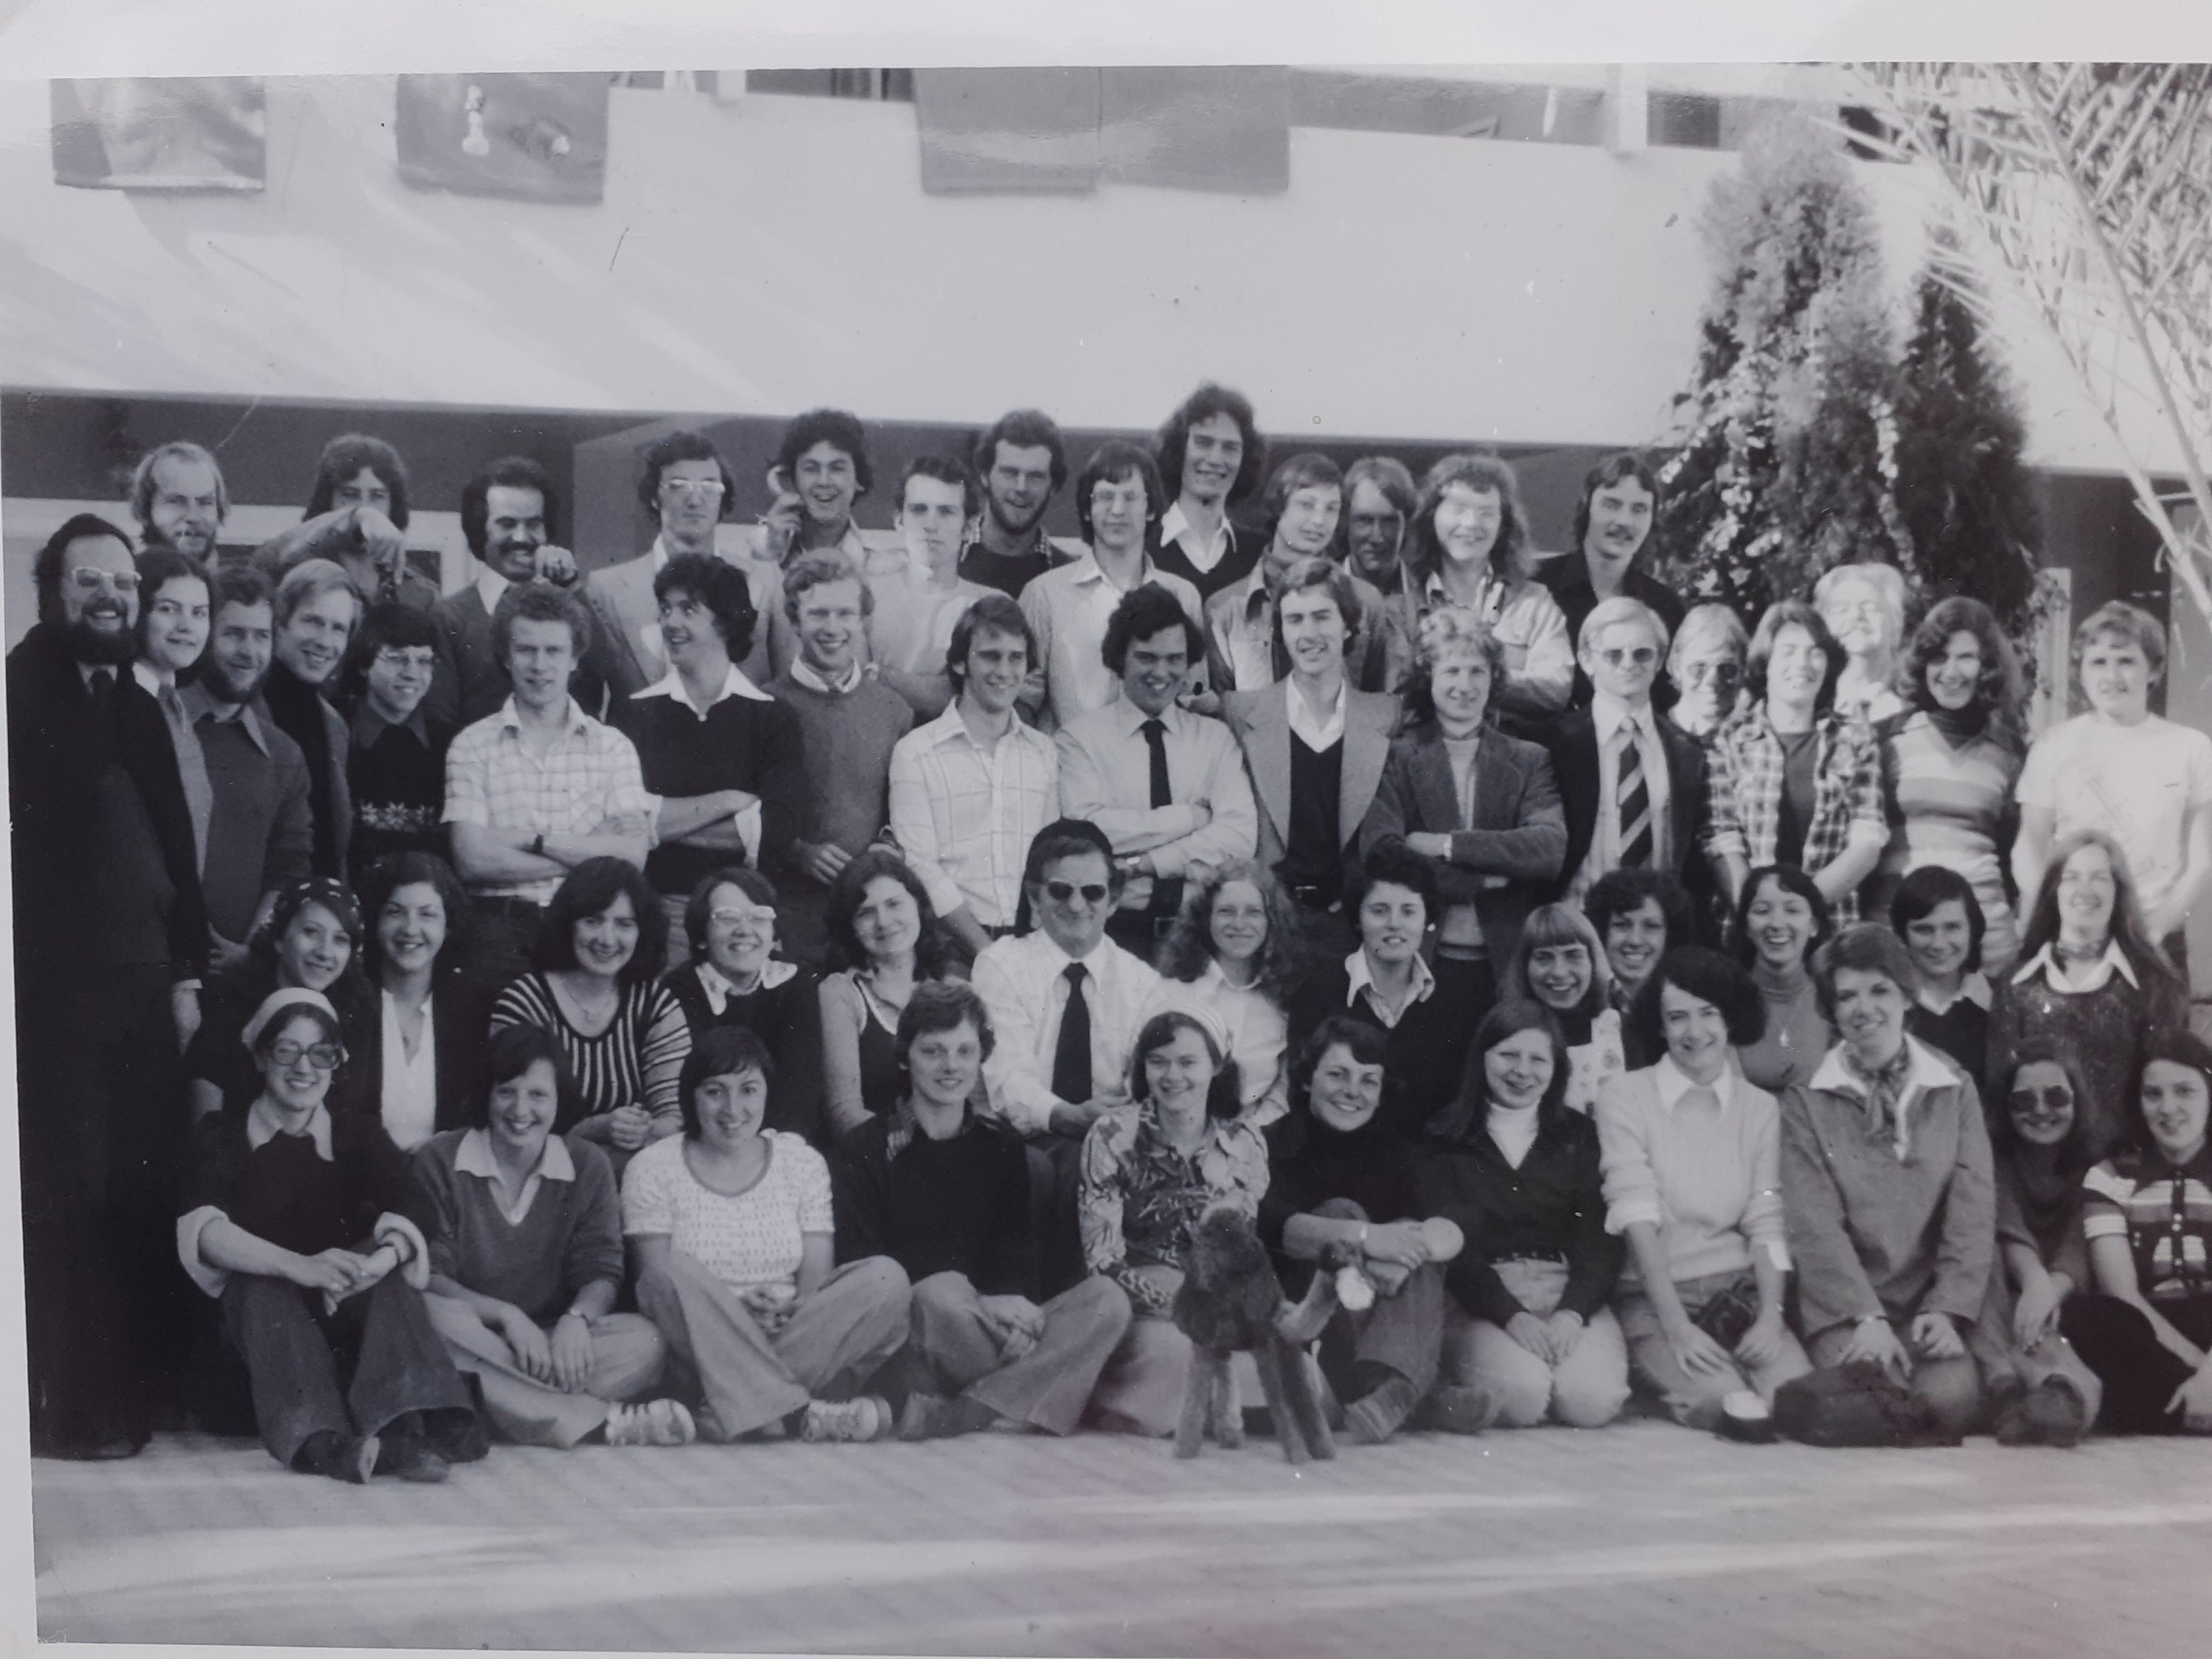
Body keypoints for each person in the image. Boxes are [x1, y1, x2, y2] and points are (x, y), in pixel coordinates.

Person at [11, 514, 209, 1458]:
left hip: (142, 995)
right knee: (69, 1196)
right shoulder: (19, 693)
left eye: (124, 586)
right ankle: (64, 1411)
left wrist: (187, 977)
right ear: (51, 592)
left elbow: (177, 854)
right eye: (90, 581)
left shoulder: (137, 702)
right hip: (52, 1000)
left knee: (137, 1188)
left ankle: (127, 1398)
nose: (109, 598)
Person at [176, 988, 477, 1482]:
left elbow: (415, 1203)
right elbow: (203, 1232)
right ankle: (321, 1443)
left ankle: (402, 1428)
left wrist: (374, 1265)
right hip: (252, 1359)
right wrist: (300, 1266)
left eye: (321, 1053)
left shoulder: (355, 1132)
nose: (304, 1068)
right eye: (286, 1051)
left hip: (339, 1336)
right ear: (259, 1057)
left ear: (337, 1063)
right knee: (255, 1282)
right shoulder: (222, 1132)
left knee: (383, 1265)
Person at [832, 981, 1133, 1439]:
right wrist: (983, 1303)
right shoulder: (867, 1149)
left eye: (965, 1051)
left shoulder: (1002, 1146)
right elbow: (869, 1274)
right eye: (933, 1051)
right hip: (921, 1335)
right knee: (940, 1294)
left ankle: (967, 1412)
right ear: (904, 1056)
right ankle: (1028, 1394)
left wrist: (1015, 1310)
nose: (951, 1066)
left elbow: (1017, 1262)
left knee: (1107, 1301)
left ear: (981, 1057)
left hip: (988, 1333)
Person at [627, 1026, 913, 1442]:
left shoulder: (800, 1161)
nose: (733, 1108)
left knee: (886, 1278)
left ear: (767, 1094)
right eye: (714, 1091)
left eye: (748, 1090)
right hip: (695, 1346)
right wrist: (737, 1311)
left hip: (792, 1329)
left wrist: (788, 1308)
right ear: (691, 1095)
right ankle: (793, 1414)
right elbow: (657, 1288)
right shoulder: (653, 1168)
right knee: (669, 1272)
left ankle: (744, 1406)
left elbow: (816, 1280)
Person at [416, 1023, 692, 1449]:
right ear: (486, 1095)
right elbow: (431, 1276)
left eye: (538, 1095)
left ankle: (499, 1405)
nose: (521, 1109)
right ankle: (594, 1422)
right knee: (431, 1317)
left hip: (551, 1343)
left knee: (647, 1342)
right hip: (476, 1332)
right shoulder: (441, 1159)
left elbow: (601, 1268)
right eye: (506, 1091)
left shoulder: (587, 1164)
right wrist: (508, 1317)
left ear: (559, 1099)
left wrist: (577, 1320)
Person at [1780, 924, 1994, 1439]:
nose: (1863, 1008)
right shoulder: (1806, 1099)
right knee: (1872, 1388)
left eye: (1880, 991)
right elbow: (1814, 1226)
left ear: (1905, 995)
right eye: (1846, 996)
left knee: (1953, 1399)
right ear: (1831, 1009)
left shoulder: (1953, 1086)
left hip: (1925, 1302)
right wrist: (1865, 1317)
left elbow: (1972, 1208)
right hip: (1846, 1307)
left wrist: (1947, 1311)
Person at [1597, 949, 1810, 1429]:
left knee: (1795, 1403)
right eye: (1678, 1017)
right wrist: (1677, 1330)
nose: (1694, 1033)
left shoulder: (1759, 1109)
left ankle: (1693, 1383)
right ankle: (1670, 1379)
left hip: (1740, 1294)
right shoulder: (1624, 1096)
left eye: (1709, 1013)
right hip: (1657, 1299)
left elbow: (1767, 1221)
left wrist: (1772, 1318)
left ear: (1731, 1018)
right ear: (1659, 1024)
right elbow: (1636, 1215)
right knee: (1731, 1407)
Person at [1262, 1017, 1495, 1443]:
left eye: (1369, 1081)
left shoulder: (1399, 1151)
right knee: (1344, 1213)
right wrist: (1369, 1240)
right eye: (1337, 1075)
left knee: (1417, 1232)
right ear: (1307, 1079)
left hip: (1384, 1313)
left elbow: (1460, 1220)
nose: (1353, 1091)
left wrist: (1411, 1250)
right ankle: (1416, 1395)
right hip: (1310, 1320)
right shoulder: (1273, 1144)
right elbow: (1273, 1225)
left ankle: (1394, 1393)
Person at [973, 821, 1166, 1294]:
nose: (1077, 905)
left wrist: (1104, 1124)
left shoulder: (1143, 982)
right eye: (1060, 891)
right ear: (1035, 900)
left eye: (1092, 892)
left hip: (1108, 1140)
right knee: (1046, 1165)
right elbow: (1007, 1078)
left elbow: (1142, 1085)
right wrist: (1067, 1115)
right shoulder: (1001, 964)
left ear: (1113, 900)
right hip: (1020, 1137)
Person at [1418, 1003, 1630, 1429]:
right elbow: (1453, 1249)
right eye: (1508, 1055)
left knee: (1591, 1402)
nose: (1522, 1071)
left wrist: (1572, 1313)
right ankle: (1441, 1390)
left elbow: (1599, 1235)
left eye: (1538, 1059)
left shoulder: (1579, 1135)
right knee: (1524, 1396)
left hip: (1566, 1288)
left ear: (1556, 1068)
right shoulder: (1444, 1139)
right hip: (1481, 1299)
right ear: (1482, 1058)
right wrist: (1510, 1314)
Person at [1359, 607, 1568, 1023]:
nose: (1464, 686)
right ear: (1430, 678)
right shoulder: (1397, 755)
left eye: (1477, 672)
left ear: (1494, 679)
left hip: (1504, 959)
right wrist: (1492, 876)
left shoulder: (1528, 759)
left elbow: (1548, 848)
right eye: (1452, 671)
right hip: (1417, 956)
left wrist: (1447, 846)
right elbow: (1382, 851)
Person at [442, 582, 652, 986]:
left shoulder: (612, 747)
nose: (540, 665)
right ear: (506, 657)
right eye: (526, 650)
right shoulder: (472, 745)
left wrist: (530, 839)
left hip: (585, 936)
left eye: (554, 651)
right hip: (497, 935)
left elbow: (631, 860)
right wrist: (588, 851)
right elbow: (471, 860)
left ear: (575, 659)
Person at [1079, 1008, 1270, 1434]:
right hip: (1144, 1305)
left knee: (1296, 1365)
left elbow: (1238, 1251)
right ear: (1141, 1067)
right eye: (1158, 1061)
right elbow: (1103, 1260)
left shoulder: (1245, 1141)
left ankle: (1210, 1409)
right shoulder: (1112, 1136)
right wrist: (1175, 1304)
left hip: (1215, 1301)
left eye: (1188, 1062)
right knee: (1178, 1355)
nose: (1172, 1076)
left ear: (1217, 1067)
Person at [1057, 583, 1259, 955]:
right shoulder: (1079, 740)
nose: (1161, 672)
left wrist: (1144, 863)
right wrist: (1192, 818)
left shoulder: (1215, 739)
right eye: (1146, 658)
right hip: (1114, 935)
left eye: (1174, 659)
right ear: (1120, 659)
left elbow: (1240, 837)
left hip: (1200, 934)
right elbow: (1088, 833)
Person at [609, 552, 805, 931]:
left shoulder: (772, 717)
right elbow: (620, 825)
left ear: (726, 619)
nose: (670, 623)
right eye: (665, 610)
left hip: (746, 917)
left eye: (687, 609)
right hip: (655, 913)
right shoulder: (633, 714)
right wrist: (728, 802)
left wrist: (661, 826)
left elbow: (777, 831)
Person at [1220, 555, 1400, 964]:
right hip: (1267, 926)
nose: (1309, 633)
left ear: (1350, 625)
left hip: (1351, 930)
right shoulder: (1239, 712)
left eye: (1322, 617)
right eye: (1295, 620)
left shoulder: (1388, 716)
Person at [2014, 600, 2212, 973]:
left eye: (2126, 661)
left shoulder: (2191, 748)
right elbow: (2029, 846)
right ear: (2082, 672)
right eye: (2098, 662)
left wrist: (2154, 931)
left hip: (2156, 933)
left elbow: (2201, 861)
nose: (2112, 676)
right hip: (2074, 935)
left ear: (2153, 670)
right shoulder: (2055, 746)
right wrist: (2052, 920)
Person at [1989, 830, 2190, 1162]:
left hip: (2126, 1174)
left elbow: (2165, 1094)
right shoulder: (2017, 984)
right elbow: (2001, 1097)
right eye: (2071, 878)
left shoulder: (2153, 983)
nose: (2085, 889)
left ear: (2118, 891)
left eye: (2100, 878)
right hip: (2039, 1174)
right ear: (2054, 891)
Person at [489, 857, 689, 1172]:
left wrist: (640, 1130)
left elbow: (676, 1118)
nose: (607, 940)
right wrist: (597, 1127)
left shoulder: (655, 1004)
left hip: (637, 1172)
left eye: (624, 924)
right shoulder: (525, 1001)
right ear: (567, 924)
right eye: (592, 921)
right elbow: (516, 1117)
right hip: (540, 1173)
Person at [888, 594, 1060, 960]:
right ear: (960, 662)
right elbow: (920, 865)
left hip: (1032, 946)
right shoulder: (915, 753)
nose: (1004, 670)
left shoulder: (1043, 752)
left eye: (1016, 658)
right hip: (950, 949)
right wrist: (986, 951)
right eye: (990, 655)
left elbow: (1052, 858)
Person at [763, 554, 916, 967]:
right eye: (818, 614)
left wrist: (883, 848)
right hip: (790, 912)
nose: (833, 628)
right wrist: (796, 850)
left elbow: (902, 813)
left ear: (863, 620)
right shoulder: (764, 706)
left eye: (845, 613)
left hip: (870, 916)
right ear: (795, 621)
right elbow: (749, 813)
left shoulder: (893, 710)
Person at [2062, 1031, 2212, 1436]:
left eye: (2185, 1092)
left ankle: (2168, 1411)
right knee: (2088, 1318)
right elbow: (2123, 1294)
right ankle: (2192, 1405)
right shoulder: (2109, 1177)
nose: (2169, 1108)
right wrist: (2201, 1370)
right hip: (2152, 1331)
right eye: (2153, 1094)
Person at [1866, 596, 2027, 971]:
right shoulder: (1885, 740)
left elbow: (2014, 858)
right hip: (1895, 933)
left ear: (1987, 666)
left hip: (1984, 941)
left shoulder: (2011, 751)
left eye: (1966, 657)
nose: (1950, 672)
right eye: (1939, 657)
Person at [1705, 599, 1885, 922]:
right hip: (1746, 928)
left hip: (1829, 925)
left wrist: (1800, 912)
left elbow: (1866, 843)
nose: (1802, 663)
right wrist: (1759, 914)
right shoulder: (1728, 741)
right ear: (1766, 663)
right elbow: (1723, 840)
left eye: (1815, 652)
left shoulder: (1855, 740)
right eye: (1788, 651)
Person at [1018, 440, 1206, 731]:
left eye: (1130, 497)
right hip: (1071, 768)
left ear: (1151, 509)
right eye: (1105, 496)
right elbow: (1023, 703)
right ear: (1087, 509)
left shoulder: (1183, 596)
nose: (1117, 510)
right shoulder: (1044, 595)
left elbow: (1192, 698)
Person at [1285, 847, 1470, 1141]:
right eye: (1379, 910)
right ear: (1359, 917)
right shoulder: (1318, 992)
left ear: (1428, 919)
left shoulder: (1453, 1002)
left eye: (1408, 911)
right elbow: (1301, 1094)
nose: (1394, 923)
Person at [582, 429, 781, 702]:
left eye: (709, 487)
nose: (695, 500)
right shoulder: (607, 588)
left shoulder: (763, 579)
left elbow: (781, 684)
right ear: (655, 497)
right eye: (678, 486)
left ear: (723, 497)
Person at [1385, 453, 1573, 732]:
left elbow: (1556, 689)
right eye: (1459, 509)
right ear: (1432, 515)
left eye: (1486, 513)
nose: (1472, 523)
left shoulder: (1534, 602)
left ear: (1503, 525)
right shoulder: (1402, 604)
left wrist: (1460, 674)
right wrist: (1499, 675)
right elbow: (1398, 693)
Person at [1544, 596, 1712, 905]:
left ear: (1660, 661)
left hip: (1655, 929)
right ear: (1586, 660)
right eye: (1613, 655)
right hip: (1576, 923)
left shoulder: (1687, 752)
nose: (1628, 665)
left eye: (1642, 654)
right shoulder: (1554, 744)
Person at [1975, 1044, 2101, 1445]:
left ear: (2077, 1101)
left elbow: (2080, 1243)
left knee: (2050, 1337)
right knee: (1982, 1256)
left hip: (2065, 1296)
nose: (2041, 1110)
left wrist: (2050, 1291)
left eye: (2057, 1096)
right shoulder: (1992, 1157)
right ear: (2006, 1107)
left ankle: (2061, 1398)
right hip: (2007, 1292)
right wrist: (2034, 1282)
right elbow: (2006, 1225)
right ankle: (2010, 1388)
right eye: (2023, 1100)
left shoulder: (2097, 1162)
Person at [185, 566, 315, 956]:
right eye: (234, 634)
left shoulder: (284, 755)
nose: (249, 652)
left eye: (261, 636)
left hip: (240, 974)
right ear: (206, 633)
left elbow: (289, 868)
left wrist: (249, 951)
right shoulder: (158, 725)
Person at [184, 875, 376, 1124]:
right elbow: (205, 1093)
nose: (324, 951)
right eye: (311, 932)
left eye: (340, 940)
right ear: (279, 938)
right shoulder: (233, 1000)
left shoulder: (356, 1011)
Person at [1205, 454, 1395, 697]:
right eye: (1307, 505)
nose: (1319, 521)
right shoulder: (1225, 609)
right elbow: (1224, 708)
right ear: (1279, 506)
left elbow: (1375, 704)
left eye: (1331, 509)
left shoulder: (1365, 601)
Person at [664, 868, 826, 1144]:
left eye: (758, 918)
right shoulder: (681, 989)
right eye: (727, 918)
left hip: (781, 1141)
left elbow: (800, 1092)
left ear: (773, 932)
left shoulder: (797, 982)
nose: (744, 930)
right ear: (701, 936)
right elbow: (689, 1092)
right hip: (707, 1140)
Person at [425, 456, 586, 731]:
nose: (521, 538)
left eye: (533, 524)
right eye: (507, 524)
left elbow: (609, 670)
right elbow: (440, 723)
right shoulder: (448, 617)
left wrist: (570, 586)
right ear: (481, 530)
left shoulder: (571, 603)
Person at [818, 850, 961, 1140]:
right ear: (850, 927)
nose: (883, 922)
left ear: (919, 906)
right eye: (865, 913)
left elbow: (978, 1105)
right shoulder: (841, 993)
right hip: (879, 1153)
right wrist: (921, 1145)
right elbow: (844, 1113)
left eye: (894, 904)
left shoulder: (954, 990)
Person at [1153, 859, 1301, 1125]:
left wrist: (1246, 1137)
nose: (1239, 924)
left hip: (1255, 1138)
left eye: (1253, 912)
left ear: (1271, 921)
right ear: (1205, 918)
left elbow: (1281, 1091)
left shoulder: (1285, 999)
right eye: (1226, 911)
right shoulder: (1172, 991)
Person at [355, 852, 483, 1152]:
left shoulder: (471, 1014)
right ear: (375, 921)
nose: (411, 929)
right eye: (396, 912)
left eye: (427, 914)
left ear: (448, 924)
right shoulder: (353, 1003)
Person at [1539, 453, 1686, 710]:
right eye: (1611, 504)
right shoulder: (1538, 585)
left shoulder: (1666, 606)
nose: (1624, 522)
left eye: (1639, 509)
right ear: (1586, 508)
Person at [867, 456, 995, 719]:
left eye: (946, 512)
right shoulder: (866, 596)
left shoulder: (988, 606)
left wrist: (879, 675)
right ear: (899, 520)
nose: (930, 524)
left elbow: (977, 701)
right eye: (918, 510)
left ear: (969, 527)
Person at [253, 434, 439, 610]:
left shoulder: (420, 594)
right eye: (350, 495)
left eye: (377, 497)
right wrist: (352, 517)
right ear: (327, 500)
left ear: (393, 504)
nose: (364, 507)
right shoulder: (291, 569)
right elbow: (267, 561)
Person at [262, 560, 359, 882]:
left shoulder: (334, 724)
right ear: (280, 623)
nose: (325, 642)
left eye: (338, 628)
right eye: (313, 622)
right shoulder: (244, 709)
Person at [338, 602, 449, 884]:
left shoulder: (447, 742)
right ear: (364, 665)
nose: (412, 673)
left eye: (424, 661)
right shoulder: (338, 731)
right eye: (397, 659)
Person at [1150, 382, 1267, 602]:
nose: (1215, 459)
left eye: (1230, 448)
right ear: (1179, 448)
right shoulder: (1143, 545)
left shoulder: (1259, 552)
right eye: (1203, 443)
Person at [1726, 864, 1836, 1094]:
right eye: (1762, 911)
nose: (1776, 924)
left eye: (1792, 910)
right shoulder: (1723, 1001)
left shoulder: (1833, 1000)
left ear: (1814, 925)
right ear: (1746, 925)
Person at [1506, 903, 1626, 1113]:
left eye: (1573, 955)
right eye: (1544, 958)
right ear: (1524, 966)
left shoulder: (1618, 1030)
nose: (1559, 972)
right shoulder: (1507, 1035)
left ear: (1593, 961)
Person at [1889, 865, 1994, 1086]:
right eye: (1923, 929)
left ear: (1972, 929)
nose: (1938, 944)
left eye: (1952, 927)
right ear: (1902, 934)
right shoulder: (1887, 1008)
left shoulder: (1998, 1004)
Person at [960, 409, 1071, 597]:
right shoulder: (947, 557)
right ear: (985, 476)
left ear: (1053, 486)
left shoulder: (1068, 576)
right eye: (1010, 473)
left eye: (1035, 476)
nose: (1021, 488)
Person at [753, 408, 875, 572]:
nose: (824, 481)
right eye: (811, 469)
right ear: (792, 480)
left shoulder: (878, 562)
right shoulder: (756, 550)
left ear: (858, 479)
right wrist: (771, 554)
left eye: (837, 468)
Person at [1584, 867, 1697, 1029]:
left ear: (1670, 935)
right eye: (1622, 925)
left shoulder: (1690, 999)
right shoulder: (1581, 998)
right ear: (1601, 931)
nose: (1635, 940)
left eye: (1651, 927)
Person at [1813, 562, 1910, 726]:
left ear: (1896, 623)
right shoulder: (1810, 702)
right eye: (1842, 609)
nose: (1856, 616)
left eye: (1871, 607)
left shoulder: (1915, 697)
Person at [131, 439, 227, 564]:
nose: (193, 517)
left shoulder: (239, 582)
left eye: (205, 502)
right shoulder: (125, 581)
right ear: (145, 510)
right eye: (176, 502)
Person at [1666, 603, 1748, 741]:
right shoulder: (1656, 738)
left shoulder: (1755, 740)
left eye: (1727, 669)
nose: (1713, 681)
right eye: (1699, 669)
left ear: (1742, 669)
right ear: (1677, 668)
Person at [1341, 455, 1418, 596]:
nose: (1377, 537)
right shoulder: (1323, 590)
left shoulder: (1426, 593)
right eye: (1364, 521)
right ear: (1346, 522)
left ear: (1406, 524)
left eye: (1389, 521)